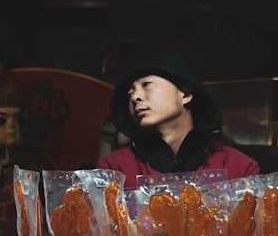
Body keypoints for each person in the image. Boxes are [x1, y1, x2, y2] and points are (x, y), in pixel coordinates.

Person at [98, 47, 260, 189]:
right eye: (130, 93)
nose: (135, 97)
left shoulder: (238, 168)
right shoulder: (115, 170)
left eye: (146, 84)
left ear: (186, 94)